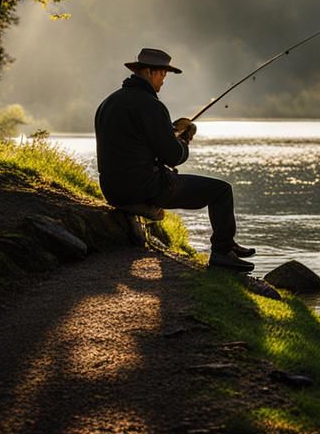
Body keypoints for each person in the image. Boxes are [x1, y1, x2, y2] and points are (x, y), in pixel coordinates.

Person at [94, 47, 256, 272]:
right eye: (162, 73)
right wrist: (185, 138)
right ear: (148, 72)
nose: (164, 79)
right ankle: (222, 251)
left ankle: (227, 245)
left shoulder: (108, 102)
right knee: (221, 191)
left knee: (212, 189)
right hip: (144, 187)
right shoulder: (151, 105)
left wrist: (170, 131)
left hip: (112, 188)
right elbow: (173, 156)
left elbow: (135, 141)